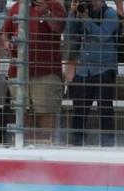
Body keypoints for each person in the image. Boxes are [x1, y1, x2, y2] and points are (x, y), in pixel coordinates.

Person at [1, 0, 65, 144]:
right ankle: (23, 149)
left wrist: (47, 13)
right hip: (18, 72)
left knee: (46, 112)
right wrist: (7, 42)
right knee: (22, 114)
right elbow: (5, 33)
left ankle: (46, 150)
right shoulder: (16, 7)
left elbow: (59, 28)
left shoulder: (53, 5)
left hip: (46, 72)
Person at [65, 0, 119, 146]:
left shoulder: (110, 14)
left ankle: (108, 146)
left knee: (105, 110)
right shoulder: (82, 13)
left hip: (105, 68)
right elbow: (69, 34)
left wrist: (86, 19)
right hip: (84, 70)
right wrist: (73, 13)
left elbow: (102, 36)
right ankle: (76, 145)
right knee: (80, 111)